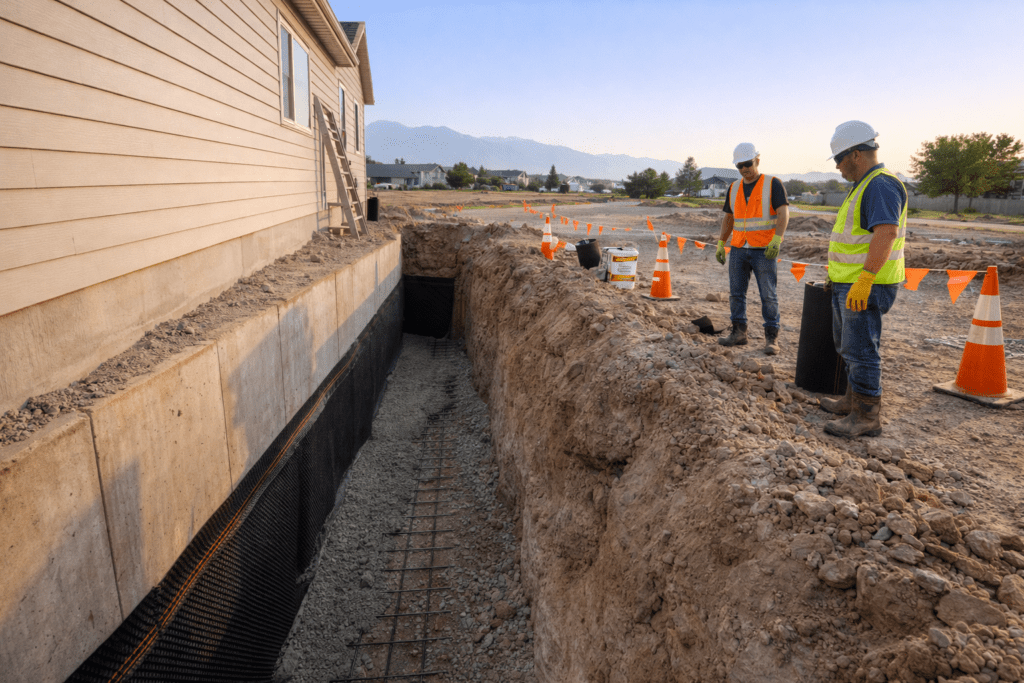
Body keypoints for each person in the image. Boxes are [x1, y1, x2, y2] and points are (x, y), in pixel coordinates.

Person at [819, 121, 907, 438]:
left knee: (861, 350)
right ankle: (851, 400)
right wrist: (837, 276)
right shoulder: (864, 185)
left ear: (856, 154)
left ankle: (866, 416)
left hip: (866, 284)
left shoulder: (880, 185)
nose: (839, 169)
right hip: (851, 281)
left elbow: (886, 233)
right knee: (849, 346)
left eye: (839, 161)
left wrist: (866, 278)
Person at [716, 143, 789, 355]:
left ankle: (771, 339)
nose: (744, 169)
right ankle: (739, 333)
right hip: (739, 247)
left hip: (764, 249)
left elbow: (783, 214)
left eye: (747, 164)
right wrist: (721, 242)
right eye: (739, 166)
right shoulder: (734, 187)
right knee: (736, 294)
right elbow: (729, 218)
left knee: (768, 294)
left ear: (757, 159)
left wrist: (777, 239)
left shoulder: (773, 184)